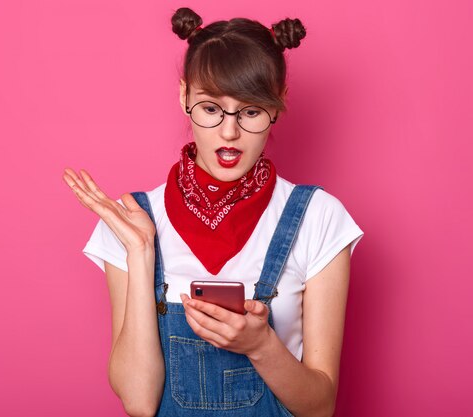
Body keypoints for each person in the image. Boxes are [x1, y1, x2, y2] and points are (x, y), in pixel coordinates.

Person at [62, 7, 364, 417]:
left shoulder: (319, 218)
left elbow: (320, 406)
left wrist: (261, 346)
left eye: (251, 111)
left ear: (278, 105)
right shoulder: (133, 220)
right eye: (210, 108)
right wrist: (140, 252)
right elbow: (139, 402)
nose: (229, 132)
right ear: (184, 96)